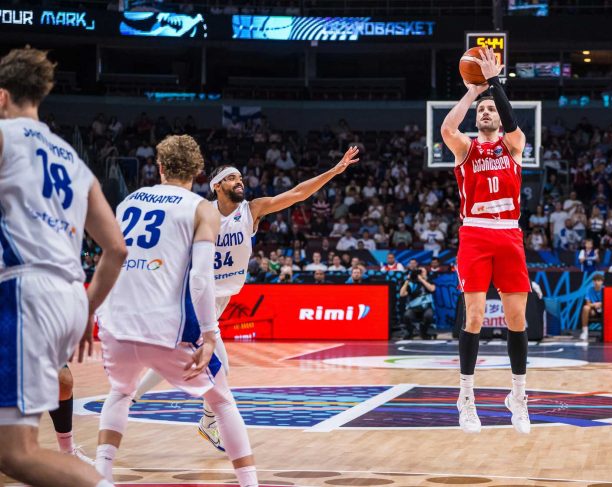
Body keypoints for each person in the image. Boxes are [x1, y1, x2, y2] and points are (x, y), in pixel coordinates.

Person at [132, 146, 360, 450]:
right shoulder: (200, 213)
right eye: (232, 178)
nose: (239, 181)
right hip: (195, 296)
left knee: (181, 356)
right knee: (215, 367)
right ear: (217, 186)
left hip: (218, 299)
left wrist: (334, 171)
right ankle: (187, 415)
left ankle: (137, 399)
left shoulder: (251, 210)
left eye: (240, 177)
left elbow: (297, 194)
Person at [94, 135, 259, 487]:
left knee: (119, 393)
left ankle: (102, 477)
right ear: (199, 172)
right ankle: (249, 482)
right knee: (222, 401)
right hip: (166, 323)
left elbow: (111, 258)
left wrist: (89, 310)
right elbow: (199, 279)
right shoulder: (201, 209)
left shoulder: (129, 201)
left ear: (159, 167)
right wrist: (210, 334)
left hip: (115, 321)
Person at [0, 47, 127, 487]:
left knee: (15, 453)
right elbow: (116, 249)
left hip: (25, 290)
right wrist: (86, 310)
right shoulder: (74, 161)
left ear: (2, 97)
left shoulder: (4, 136)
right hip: (70, 297)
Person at [440, 47, 530, 435]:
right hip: (475, 232)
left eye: (492, 109)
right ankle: (466, 398)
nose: (487, 113)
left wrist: (493, 84)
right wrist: (472, 93)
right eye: (483, 111)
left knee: (517, 319)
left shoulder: (514, 144)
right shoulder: (466, 147)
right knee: (474, 316)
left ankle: (518, 396)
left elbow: (512, 122)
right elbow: (447, 129)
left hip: (509, 232)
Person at [400, 267, 436, 339]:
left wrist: (422, 280)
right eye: (420, 272)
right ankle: (410, 333)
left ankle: (423, 332)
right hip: (414, 308)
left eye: (422, 272)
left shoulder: (429, 281)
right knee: (407, 315)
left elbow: (432, 289)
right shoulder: (412, 284)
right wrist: (407, 280)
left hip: (426, 308)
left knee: (429, 315)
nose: (421, 274)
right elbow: (402, 294)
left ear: (426, 273)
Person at [580, 274, 604, 341]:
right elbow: (588, 303)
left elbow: (608, 302)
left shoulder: (605, 289)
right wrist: (595, 304)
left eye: (598, 280)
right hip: (593, 310)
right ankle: (585, 332)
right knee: (585, 308)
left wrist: (601, 304)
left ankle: (609, 332)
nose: (596, 282)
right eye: (595, 281)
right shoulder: (589, 290)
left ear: (602, 282)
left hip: (604, 310)